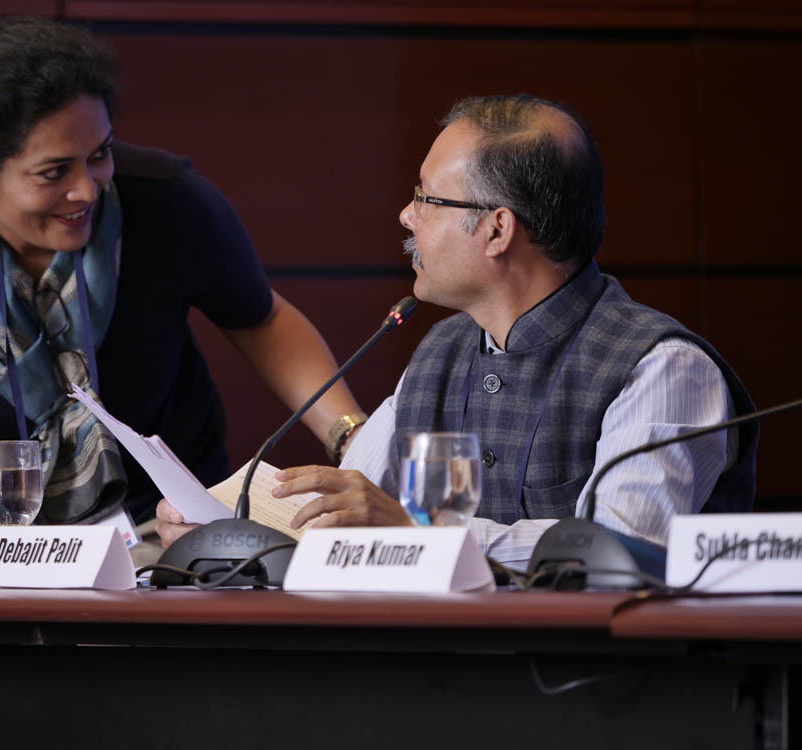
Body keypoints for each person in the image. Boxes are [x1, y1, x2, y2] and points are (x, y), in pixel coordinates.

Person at [0, 18, 367, 750]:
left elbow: (262, 319)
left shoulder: (165, 201)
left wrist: (352, 439)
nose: (85, 190)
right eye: (53, 172)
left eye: (99, 154)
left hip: (154, 528)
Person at [158, 93, 758, 571]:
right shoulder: (439, 352)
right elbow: (348, 508)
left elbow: (617, 555)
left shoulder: (661, 367)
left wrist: (419, 533)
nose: (406, 215)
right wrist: (218, 529)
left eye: (426, 198)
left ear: (497, 230)